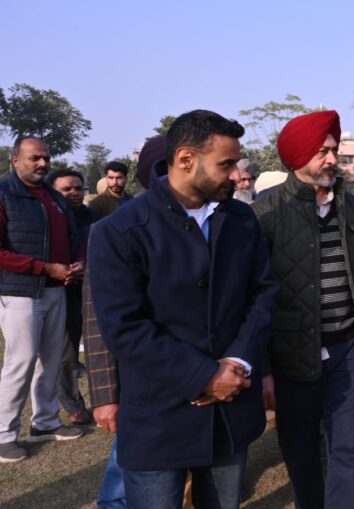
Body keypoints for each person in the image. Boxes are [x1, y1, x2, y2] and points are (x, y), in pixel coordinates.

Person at [89, 109, 278, 507]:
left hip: (229, 412)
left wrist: (239, 362)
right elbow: (125, 328)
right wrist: (204, 375)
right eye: (225, 164)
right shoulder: (119, 231)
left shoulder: (241, 219)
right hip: (159, 417)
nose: (235, 175)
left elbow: (263, 295)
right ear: (186, 159)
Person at [252, 110, 354, 509]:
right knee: (300, 450)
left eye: (333, 149)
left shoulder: (351, 207)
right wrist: (263, 368)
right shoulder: (266, 213)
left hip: (349, 349)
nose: (332, 159)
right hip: (292, 354)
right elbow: (253, 297)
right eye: (322, 151)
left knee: (349, 446)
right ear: (296, 156)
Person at [86, 135, 168, 509]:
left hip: (188, 370)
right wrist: (105, 397)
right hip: (138, 374)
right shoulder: (114, 229)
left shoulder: (207, 224)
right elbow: (96, 319)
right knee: (128, 460)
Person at [0, 136, 85, 464]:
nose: (42, 164)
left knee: (50, 360)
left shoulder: (54, 197)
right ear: (15, 160)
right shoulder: (5, 194)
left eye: (46, 158)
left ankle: (45, 423)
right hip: (20, 292)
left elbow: (72, 238)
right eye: (34, 158)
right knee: (20, 362)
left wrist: (78, 262)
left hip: (56, 288)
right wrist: (43, 268)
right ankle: (4, 435)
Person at [47, 168, 98, 426]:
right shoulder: (46, 218)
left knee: (99, 348)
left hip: (93, 290)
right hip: (60, 290)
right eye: (67, 189)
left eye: (78, 188)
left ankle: (106, 402)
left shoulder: (95, 218)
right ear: (53, 191)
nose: (74, 193)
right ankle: (74, 405)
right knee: (67, 353)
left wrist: (85, 266)